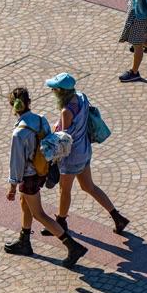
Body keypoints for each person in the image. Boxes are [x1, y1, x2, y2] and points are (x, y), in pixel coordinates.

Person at [4, 87, 88, 268]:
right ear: (29, 102)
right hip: (41, 172)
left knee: (39, 214)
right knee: (25, 203)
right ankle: (24, 241)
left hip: (29, 178)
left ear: (13, 107)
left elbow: (16, 164)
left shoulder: (18, 134)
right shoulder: (41, 120)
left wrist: (12, 187)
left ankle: (72, 246)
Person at [40, 73, 129, 236]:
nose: (52, 92)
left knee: (64, 191)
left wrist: (54, 129)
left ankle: (61, 223)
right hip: (85, 151)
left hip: (72, 157)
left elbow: (63, 138)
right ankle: (117, 217)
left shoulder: (66, 111)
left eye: (53, 90)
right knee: (89, 187)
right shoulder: (81, 97)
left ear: (60, 91)